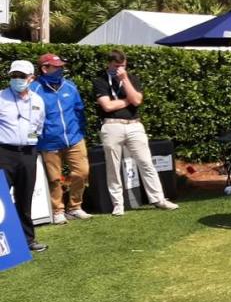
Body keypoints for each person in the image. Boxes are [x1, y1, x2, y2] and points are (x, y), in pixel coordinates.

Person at [93, 50, 178, 216]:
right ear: (109, 64)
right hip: (112, 126)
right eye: (116, 66)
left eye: (123, 66)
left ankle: (158, 199)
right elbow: (107, 107)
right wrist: (127, 101)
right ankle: (118, 204)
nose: (119, 69)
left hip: (134, 125)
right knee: (113, 166)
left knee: (146, 162)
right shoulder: (100, 81)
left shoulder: (131, 79)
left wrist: (124, 80)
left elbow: (137, 100)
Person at [30, 53, 91, 224]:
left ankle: (75, 207)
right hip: (49, 142)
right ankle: (57, 210)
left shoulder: (70, 86)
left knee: (82, 171)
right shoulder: (34, 89)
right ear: (44, 68)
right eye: (56, 67)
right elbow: (31, 118)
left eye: (61, 66)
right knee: (54, 178)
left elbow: (79, 110)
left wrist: (80, 131)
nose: (61, 69)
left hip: (74, 138)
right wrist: (35, 139)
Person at [0, 60, 48, 252]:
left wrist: (31, 141)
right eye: (14, 76)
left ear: (31, 78)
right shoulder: (1, 97)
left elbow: (39, 126)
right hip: (4, 153)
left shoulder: (38, 100)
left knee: (25, 197)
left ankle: (28, 240)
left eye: (21, 76)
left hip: (28, 153)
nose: (17, 79)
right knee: (1, 199)